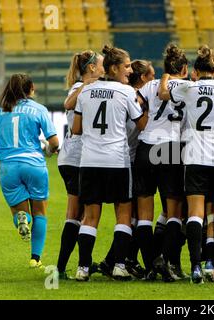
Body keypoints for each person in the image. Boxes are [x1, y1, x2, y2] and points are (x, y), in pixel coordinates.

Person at [158, 45, 214, 283]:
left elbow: (164, 94)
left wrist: (165, 78)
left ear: (195, 69)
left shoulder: (188, 87)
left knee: (195, 214)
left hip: (196, 156)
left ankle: (196, 267)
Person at [72, 45, 147, 281]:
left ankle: (83, 268)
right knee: (123, 214)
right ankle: (119, 266)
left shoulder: (86, 91)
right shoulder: (125, 92)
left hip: (90, 161)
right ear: (114, 68)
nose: (130, 70)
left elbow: (76, 129)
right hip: (117, 161)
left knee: (90, 217)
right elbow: (141, 125)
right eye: (126, 66)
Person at [0, 73, 59, 268]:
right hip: (34, 165)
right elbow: (54, 142)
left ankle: (20, 219)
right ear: (31, 87)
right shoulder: (39, 109)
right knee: (40, 212)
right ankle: (35, 258)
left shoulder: (1, 112)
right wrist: (49, 150)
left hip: (9, 168)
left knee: (20, 211)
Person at [97, 59, 155, 280]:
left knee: (131, 217)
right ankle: (119, 261)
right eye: (151, 76)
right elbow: (142, 125)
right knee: (133, 217)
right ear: (143, 78)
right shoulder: (133, 98)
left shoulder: (124, 94)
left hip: (123, 159)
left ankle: (117, 260)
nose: (154, 80)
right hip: (129, 160)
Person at [136, 44, 190, 281]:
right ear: (185, 68)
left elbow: (138, 107)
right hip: (171, 148)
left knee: (144, 215)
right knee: (174, 212)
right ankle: (167, 263)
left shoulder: (149, 85)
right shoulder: (190, 88)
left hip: (146, 147)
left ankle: (150, 265)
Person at [56, 50, 105, 280]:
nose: (104, 67)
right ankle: (70, 266)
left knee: (78, 213)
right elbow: (68, 104)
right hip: (77, 158)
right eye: (102, 64)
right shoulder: (79, 88)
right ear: (92, 68)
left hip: (73, 157)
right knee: (78, 213)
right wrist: (87, 85)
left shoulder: (88, 87)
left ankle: (73, 264)